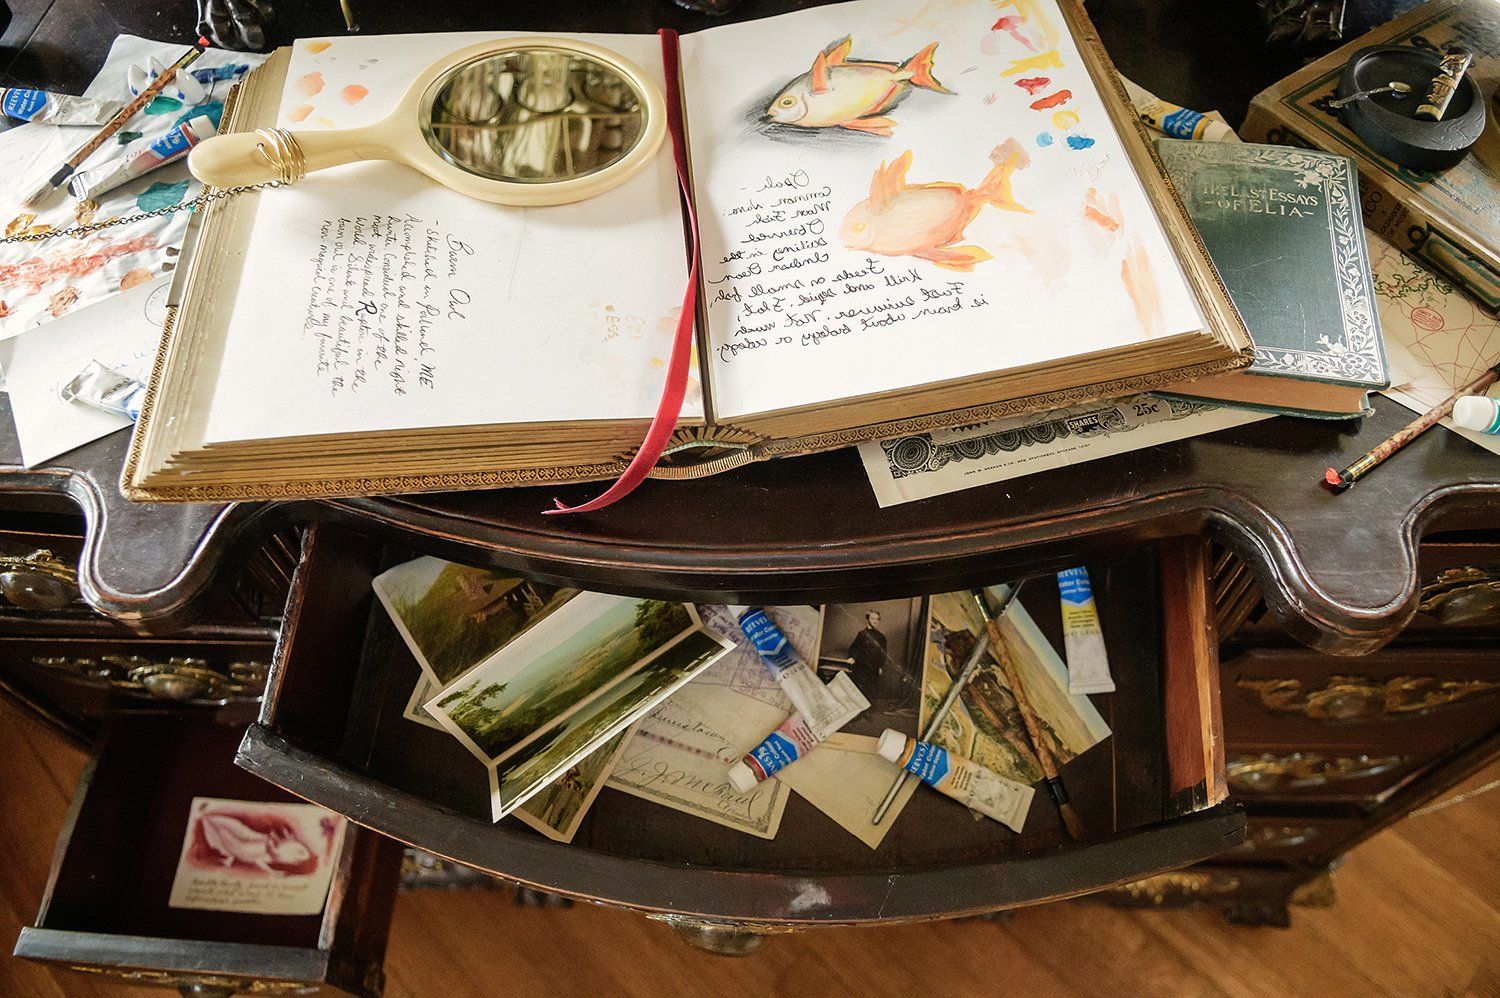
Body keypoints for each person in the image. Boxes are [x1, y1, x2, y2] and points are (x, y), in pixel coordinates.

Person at [847, 610, 888, 698]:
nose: (875, 621)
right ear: (867, 620)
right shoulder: (862, 634)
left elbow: (883, 654)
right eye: (873, 619)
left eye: (877, 619)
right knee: (858, 690)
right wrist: (851, 657)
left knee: (871, 691)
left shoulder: (881, 637)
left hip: (873, 668)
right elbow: (854, 647)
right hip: (860, 666)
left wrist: (880, 666)